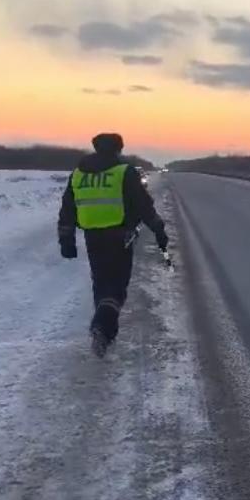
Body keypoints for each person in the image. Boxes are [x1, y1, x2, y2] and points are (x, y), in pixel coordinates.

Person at [57, 133, 168, 355]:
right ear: (118, 149)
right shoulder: (124, 171)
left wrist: (66, 238)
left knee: (100, 282)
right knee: (117, 286)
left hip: (92, 235)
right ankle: (102, 328)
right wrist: (158, 229)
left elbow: (67, 208)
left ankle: (105, 332)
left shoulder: (79, 173)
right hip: (120, 235)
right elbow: (143, 205)